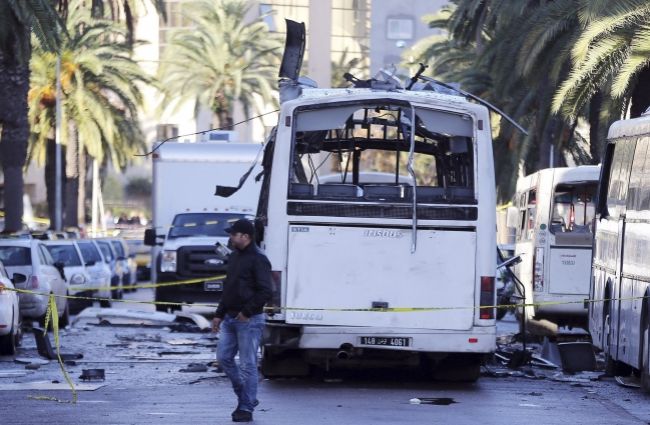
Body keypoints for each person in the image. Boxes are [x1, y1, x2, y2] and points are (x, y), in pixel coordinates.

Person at [212, 219, 272, 423]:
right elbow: (228, 288)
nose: (230, 237)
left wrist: (247, 312)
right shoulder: (235, 257)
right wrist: (219, 314)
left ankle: (246, 407)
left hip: (249, 320)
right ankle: (246, 397)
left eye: (233, 234)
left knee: (248, 364)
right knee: (223, 358)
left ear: (245, 236)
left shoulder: (259, 259)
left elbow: (266, 290)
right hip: (229, 318)